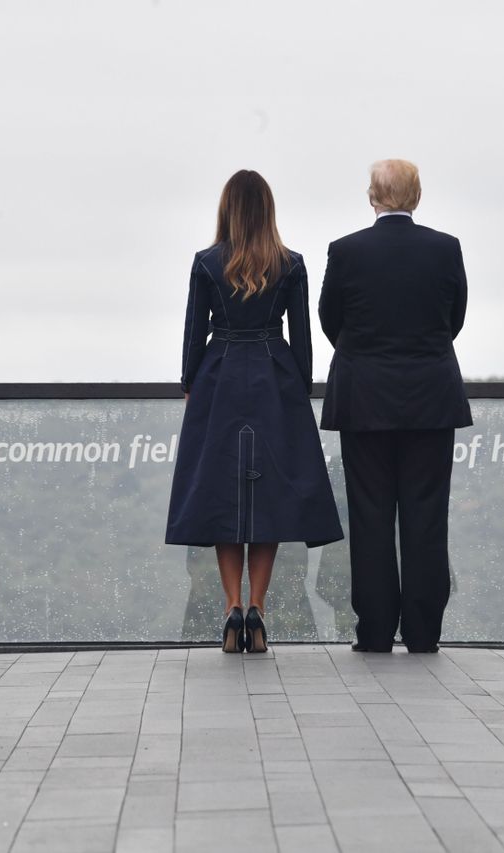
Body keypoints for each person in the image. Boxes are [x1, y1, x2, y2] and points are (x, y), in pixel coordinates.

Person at [166, 169, 344, 653]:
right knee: (266, 500)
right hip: (274, 375)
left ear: (226, 209)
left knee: (226, 495)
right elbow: (302, 337)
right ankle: (258, 609)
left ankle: (231, 609)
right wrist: (298, 387)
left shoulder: (206, 262)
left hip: (219, 376)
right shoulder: (292, 264)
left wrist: (190, 383)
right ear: (267, 210)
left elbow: (192, 332)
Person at [318, 159, 472, 654]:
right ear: (417, 196)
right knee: (427, 517)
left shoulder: (346, 251)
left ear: (372, 196)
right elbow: (454, 319)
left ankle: (376, 631)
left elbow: (329, 320)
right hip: (430, 397)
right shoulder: (445, 248)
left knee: (370, 517)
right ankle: (425, 633)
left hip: (363, 400)